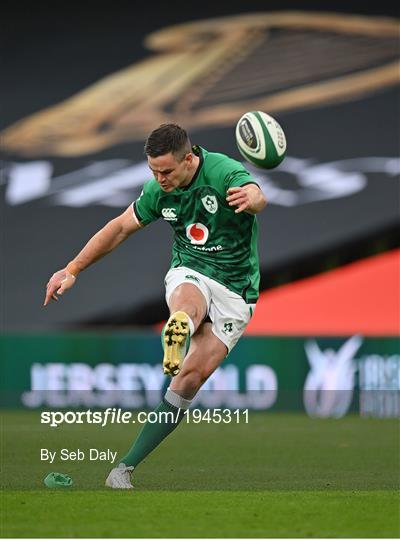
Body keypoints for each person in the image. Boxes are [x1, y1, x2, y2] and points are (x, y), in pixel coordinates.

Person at [44, 123, 267, 489]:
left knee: (189, 380)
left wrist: (252, 199)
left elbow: (257, 195)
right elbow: (118, 228)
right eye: (153, 170)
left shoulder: (222, 171)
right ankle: (179, 326)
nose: (159, 178)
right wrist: (72, 269)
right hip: (191, 267)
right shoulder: (156, 191)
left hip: (237, 289)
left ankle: (124, 467)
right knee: (188, 306)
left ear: (189, 159)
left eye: (165, 171)